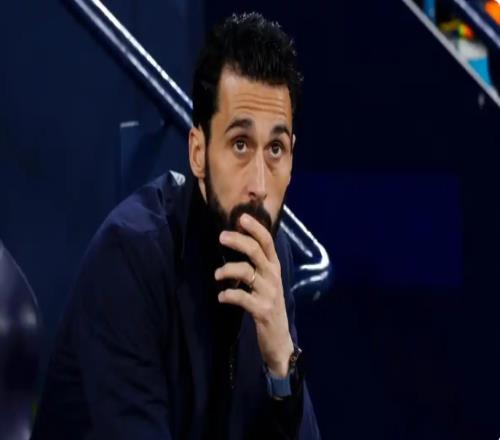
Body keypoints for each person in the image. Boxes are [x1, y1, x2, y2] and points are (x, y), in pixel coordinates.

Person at [31, 12, 320, 439]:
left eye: (275, 148)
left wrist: (282, 359)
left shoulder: (274, 255)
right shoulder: (130, 256)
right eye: (240, 144)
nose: (259, 184)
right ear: (198, 153)